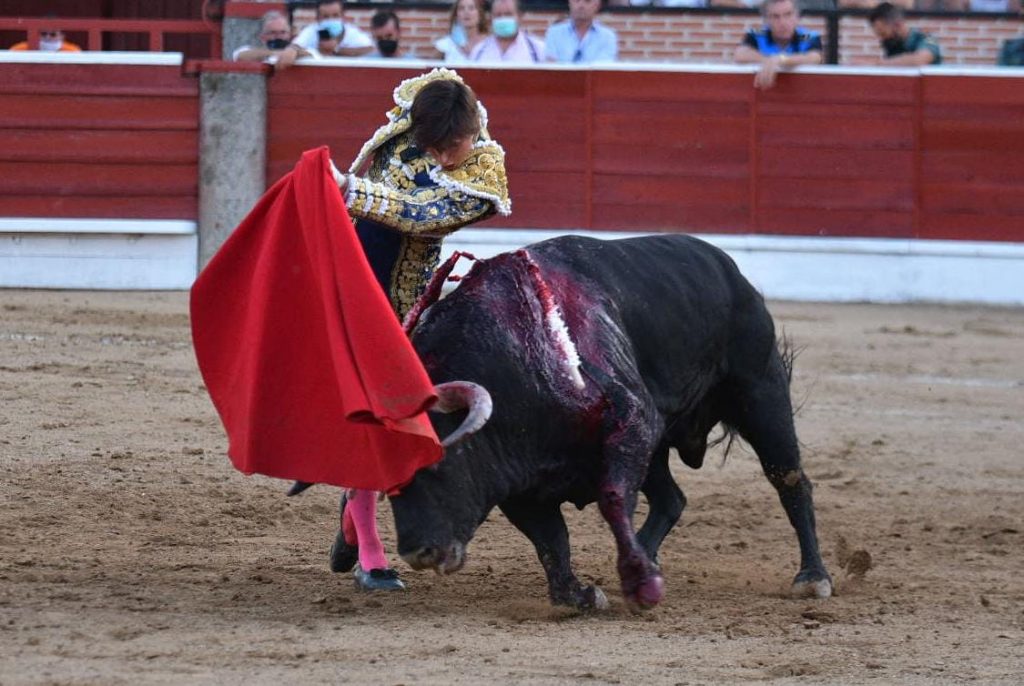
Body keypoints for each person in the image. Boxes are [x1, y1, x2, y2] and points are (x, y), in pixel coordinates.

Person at [326, 68, 510, 591]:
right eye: (450, 146)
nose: (459, 154)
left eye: (463, 143)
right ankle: (369, 551)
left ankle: (353, 518)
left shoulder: (480, 162)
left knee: (409, 421)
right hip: (361, 294)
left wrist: (349, 190)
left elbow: (423, 214)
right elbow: (405, 203)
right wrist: (352, 191)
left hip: (415, 303)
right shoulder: (400, 146)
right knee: (377, 423)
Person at [733, 0, 823, 90]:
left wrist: (781, 59)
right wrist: (769, 60)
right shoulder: (757, 34)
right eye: (775, 17)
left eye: (788, 15)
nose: (782, 22)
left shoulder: (808, 36)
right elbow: (740, 54)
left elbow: (815, 58)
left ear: (797, 17)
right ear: (766, 20)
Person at [232, 11, 312, 71]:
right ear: (262, 36)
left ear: (289, 34)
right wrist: (277, 53)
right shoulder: (256, 51)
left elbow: (311, 53)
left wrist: (294, 51)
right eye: (272, 33)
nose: (278, 36)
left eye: (283, 32)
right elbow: (239, 55)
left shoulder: (299, 47)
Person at [867, 2, 942, 66]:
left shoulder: (925, 38)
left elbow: (919, 60)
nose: (881, 39)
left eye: (883, 33)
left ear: (898, 25)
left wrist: (878, 64)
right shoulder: (894, 45)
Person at [470, 0, 545, 63]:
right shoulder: (478, 52)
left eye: (508, 14)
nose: (503, 19)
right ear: (491, 18)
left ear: (519, 17)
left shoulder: (537, 50)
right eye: (498, 15)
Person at [291, 0, 373, 58]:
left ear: (343, 16)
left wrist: (336, 49)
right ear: (318, 18)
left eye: (335, 15)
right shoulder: (311, 31)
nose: (331, 20)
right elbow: (295, 46)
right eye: (325, 16)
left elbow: (370, 50)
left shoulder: (352, 33)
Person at [544, 0, 618, 63]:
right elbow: (551, 67)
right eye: (577, 0)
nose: (581, 5)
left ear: (597, 5)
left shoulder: (608, 37)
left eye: (587, 1)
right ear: (569, 3)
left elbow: (603, 70)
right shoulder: (554, 33)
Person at [10, 26, 81, 52]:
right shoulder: (21, 48)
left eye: (53, 34)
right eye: (43, 34)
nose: (47, 37)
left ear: (62, 36)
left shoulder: (72, 50)